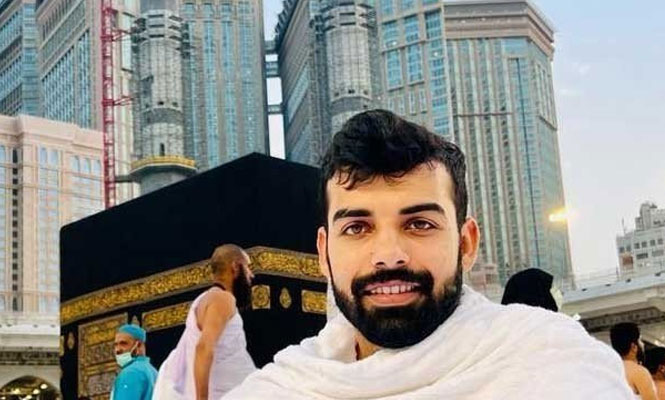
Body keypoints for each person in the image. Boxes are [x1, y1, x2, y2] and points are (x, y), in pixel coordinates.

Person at [223, 110, 633, 399]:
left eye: (419, 224)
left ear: (466, 243)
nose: (389, 256)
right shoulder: (285, 388)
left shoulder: (552, 366)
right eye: (357, 228)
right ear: (324, 253)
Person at [153, 244, 257, 400]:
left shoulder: (205, 299)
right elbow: (203, 348)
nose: (251, 275)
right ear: (235, 267)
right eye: (248, 267)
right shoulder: (222, 298)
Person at [610, 322, 659, 400]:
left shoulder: (608, 369)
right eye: (640, 341)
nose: (642, 344)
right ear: (633, 347)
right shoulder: (639, 371)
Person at [111, 324, 157, 400]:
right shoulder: (153, 372)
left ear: (138, 345)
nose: (117, 350)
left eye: (123, 343)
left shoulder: (131, 372)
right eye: (116, 345)